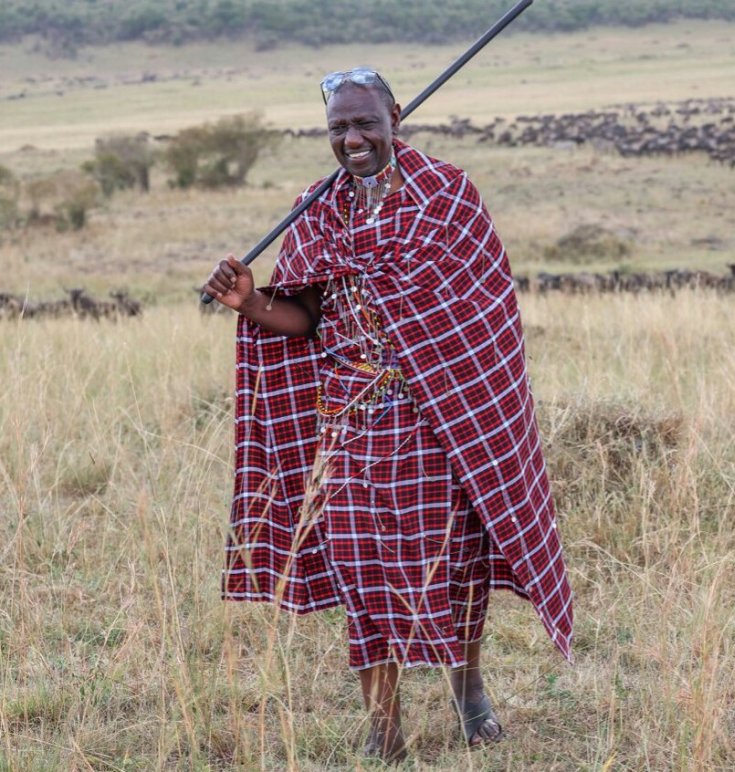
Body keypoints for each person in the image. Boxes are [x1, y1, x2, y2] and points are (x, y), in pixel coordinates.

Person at [203, 67, 573, 762]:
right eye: (339, 128)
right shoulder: (316, 208)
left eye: (365, 122)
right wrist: (251, 303)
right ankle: (384, 730)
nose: (354, 138)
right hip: (351, 426)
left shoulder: (447, 196)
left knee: (452, 565)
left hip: (439, 423)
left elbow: (482, 315)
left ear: (395, 116)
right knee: (361, 575)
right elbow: (306, 317)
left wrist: (442, 377)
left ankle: (471, 697)